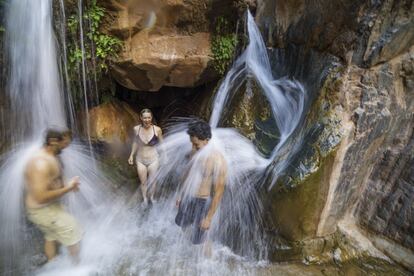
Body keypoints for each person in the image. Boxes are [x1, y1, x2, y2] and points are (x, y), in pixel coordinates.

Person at [25, 128, 82, 263]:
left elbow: (52, 181)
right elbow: (40, 197)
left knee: (50, 235)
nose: (66, 147)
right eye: (64, 144)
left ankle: (52, 266)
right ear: (52, 142)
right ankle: (79, 268)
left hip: (48, 206)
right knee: (72, 228)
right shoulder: (40, 163)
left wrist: (69, 185)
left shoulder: (52, 155)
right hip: (41, 209)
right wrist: (68, 188)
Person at [175, 120, 227, 245]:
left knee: (200, 239)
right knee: (181, 224)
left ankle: (208, 260)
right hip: (188, 197)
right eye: (192, 144)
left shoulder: (218, 160)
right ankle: (189, 249)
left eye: (196, 145)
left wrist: (208, 218)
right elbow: (186, 175)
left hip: (202, 202)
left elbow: (219, 192)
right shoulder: (194, 152)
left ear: (206, 140)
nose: (193, 148)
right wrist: (180, 194)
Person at [128, 108, 163, 205]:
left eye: (149, 118)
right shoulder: (136, 129)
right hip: (140, 159)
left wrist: (165, 155)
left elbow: (162, 143)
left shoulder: (157, 129)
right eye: (145, 118)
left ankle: (151, 197)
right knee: (143, 182)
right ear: (141, 118)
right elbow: (135, 142)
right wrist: (131, 155)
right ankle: (145, 199)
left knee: (153, 180)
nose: (147, 120)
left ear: (151, 118)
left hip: (153, 159)